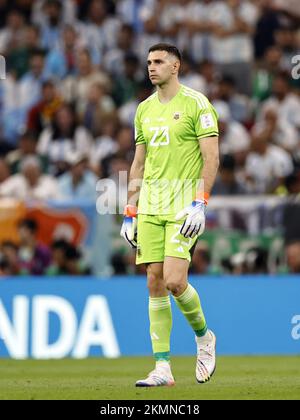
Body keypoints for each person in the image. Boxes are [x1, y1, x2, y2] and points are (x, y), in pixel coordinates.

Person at [120, 43, 219, 387]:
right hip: (150, 205)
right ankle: (162, 368)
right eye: (149, 62)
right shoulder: (143, 110)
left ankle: (205, 338)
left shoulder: (197, 103)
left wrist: (200, 202)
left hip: (183, 206)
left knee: (176, 281)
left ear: (176, 66)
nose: (151, 67)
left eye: (159, 61)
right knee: (154, 282)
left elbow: (211, 158)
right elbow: (138, 163)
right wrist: (130, 211)